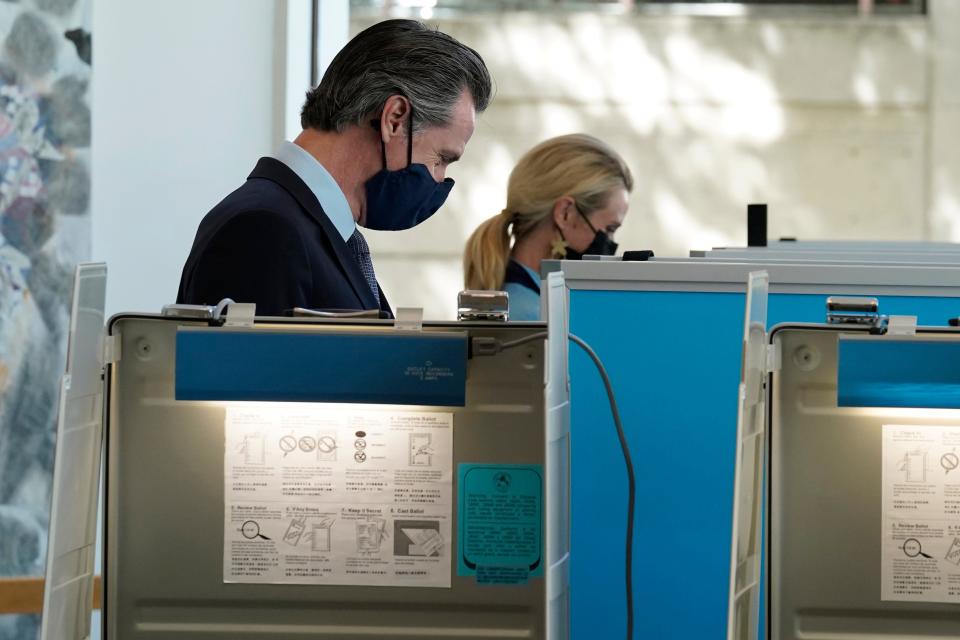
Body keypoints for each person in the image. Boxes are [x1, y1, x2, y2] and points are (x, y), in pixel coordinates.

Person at [177, 19, 492, 317]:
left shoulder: (310, 227)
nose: (439, 179)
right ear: (395, 119)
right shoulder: (263, 229)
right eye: (442, 158)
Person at [462, 134, 633, 321]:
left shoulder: (522, 301)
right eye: (609, 229)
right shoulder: (536, 318)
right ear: (565, 213)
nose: (611, 243)